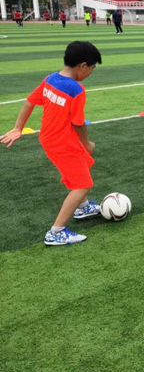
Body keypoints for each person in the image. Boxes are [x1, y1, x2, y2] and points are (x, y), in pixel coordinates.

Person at [1, 41, 104, 245]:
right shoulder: (76, 89)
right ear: (83, 65)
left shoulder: (50, 79)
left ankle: (83, 207)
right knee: (83, 184)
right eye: (92, 68)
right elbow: (78, 123)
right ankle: (56, 232)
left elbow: (29, 101)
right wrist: (87, 144)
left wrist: (18, 128)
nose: (91, 72)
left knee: (82, 168)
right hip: (62, 142)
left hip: (51, 138)